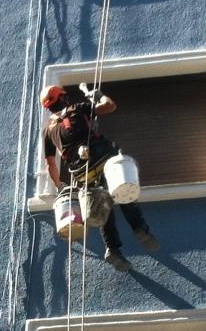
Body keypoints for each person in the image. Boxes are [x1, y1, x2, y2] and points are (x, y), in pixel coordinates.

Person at [40, 84, 158, 271]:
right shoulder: (77, 108)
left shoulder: (47, 130)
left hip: (82, 173)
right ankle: (140, 228)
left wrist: (59, 185)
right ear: (62, 97)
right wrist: (100, 96)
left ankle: (112, 248)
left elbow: (50, 164)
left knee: (102, 207)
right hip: (103, 159)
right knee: (122, 191)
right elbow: (110, 106)